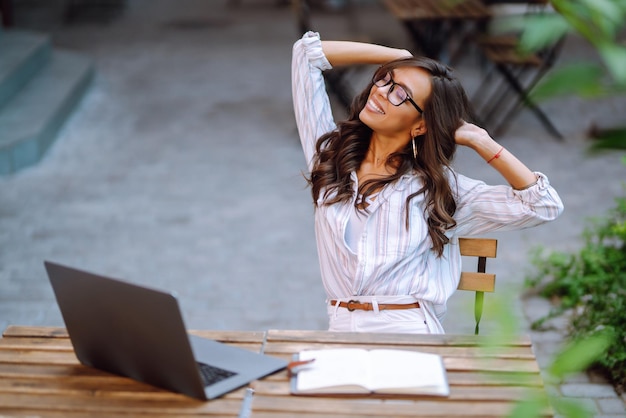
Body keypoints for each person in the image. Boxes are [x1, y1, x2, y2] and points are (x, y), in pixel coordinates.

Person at [291, 31, 564, 334]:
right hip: (341, 328)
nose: (381, 91)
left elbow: (543, 204)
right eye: (384, 80)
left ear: (421, 125)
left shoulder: (439, 190)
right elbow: (306, 56)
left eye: (400, 94)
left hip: (408, 329)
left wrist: (482, 141)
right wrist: (395, 55)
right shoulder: (331, 160)